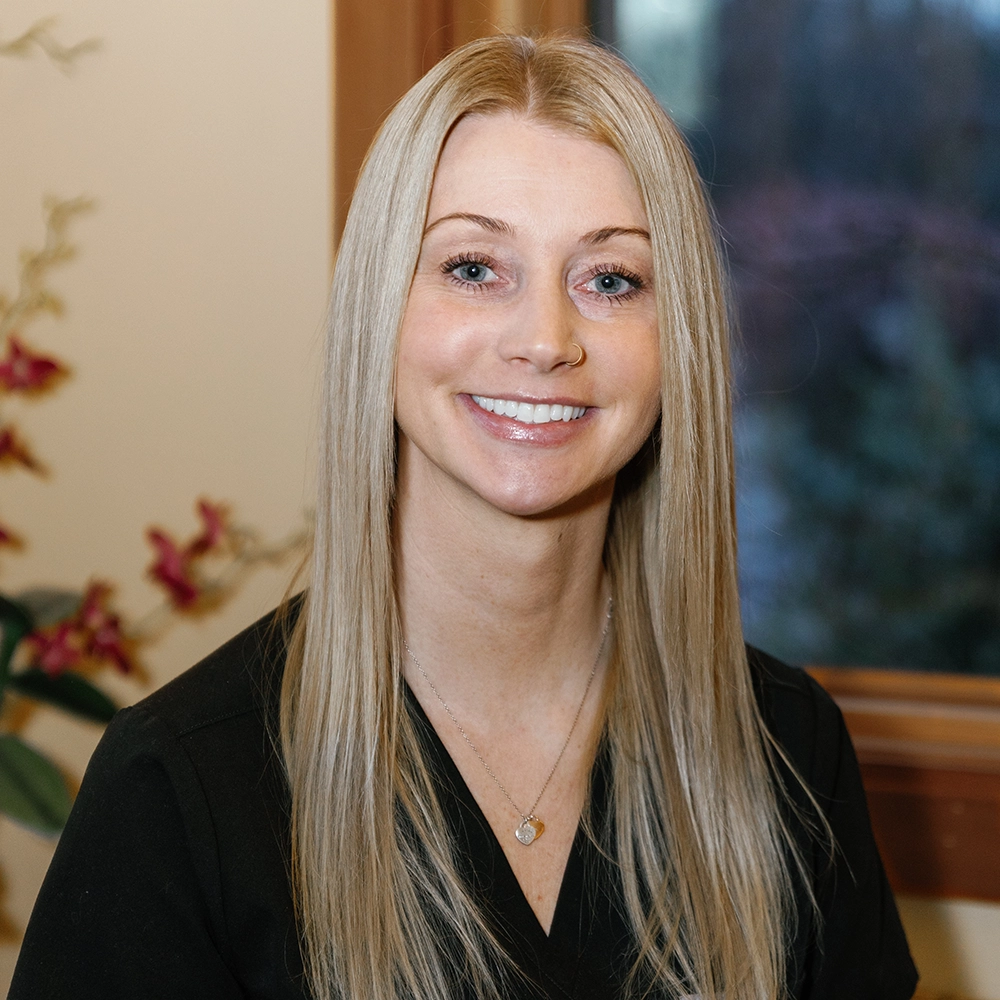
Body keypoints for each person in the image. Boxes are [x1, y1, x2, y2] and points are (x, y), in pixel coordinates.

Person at [11, 34, 917, 1000]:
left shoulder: (787, 752)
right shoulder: (180, 790)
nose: (543, 341)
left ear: (677, 340)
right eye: (474, 267)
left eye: (610, 280)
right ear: (381, 311)